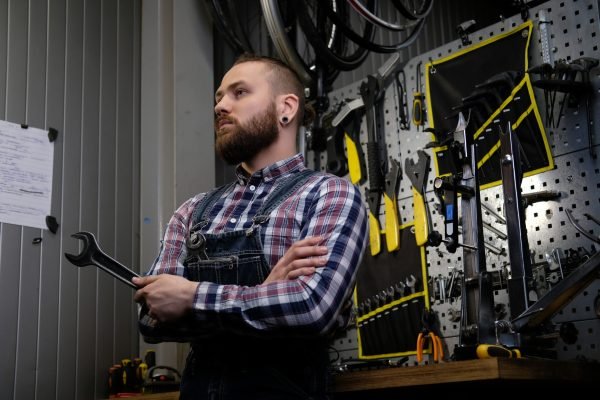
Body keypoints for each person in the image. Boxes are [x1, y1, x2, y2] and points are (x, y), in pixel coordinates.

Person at [132, 53, 368, 400]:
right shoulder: (191, 211)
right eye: (218, 98)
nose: (220, 107)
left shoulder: (328, 195)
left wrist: (191, 296)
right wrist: (266, 291)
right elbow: (152, 317)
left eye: (239, 93)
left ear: (286, 108)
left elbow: (311, 306)